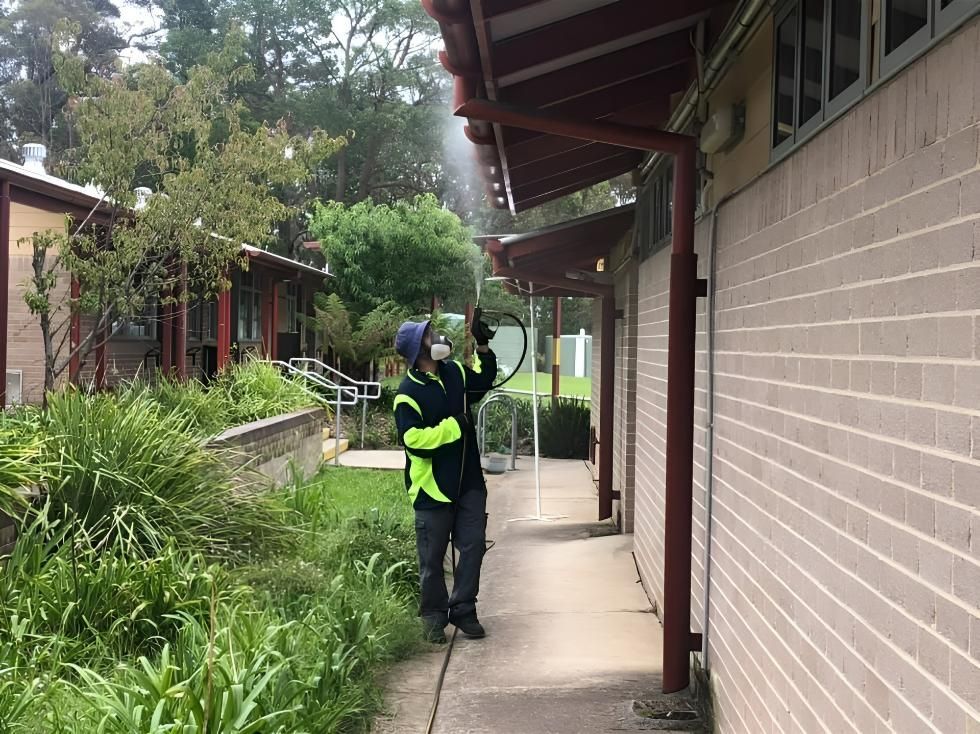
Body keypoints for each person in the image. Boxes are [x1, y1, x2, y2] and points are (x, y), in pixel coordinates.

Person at [393, 317, 496, 643]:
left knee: (473, 545)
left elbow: (484, 382)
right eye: (427, 335)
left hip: (468, 481)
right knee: (432, 559)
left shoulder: (455, 372)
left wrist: (483, 346)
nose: (435, 335)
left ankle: (464, 609)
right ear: (417, 349)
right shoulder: (407, 394)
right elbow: (414, 440)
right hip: (432, 488)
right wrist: (456, 426)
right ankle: (434, 617)